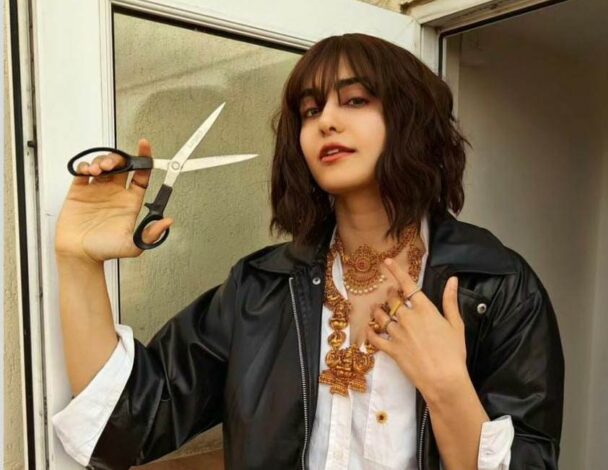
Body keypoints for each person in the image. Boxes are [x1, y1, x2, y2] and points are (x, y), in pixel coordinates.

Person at [53, 33, 564, 470]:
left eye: (355, 100)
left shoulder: (495, 286)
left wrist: (448, 385)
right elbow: (127, 425)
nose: (326, 121)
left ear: (410, 116)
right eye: (311, 110)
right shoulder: (259, 290)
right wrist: (80, 260)